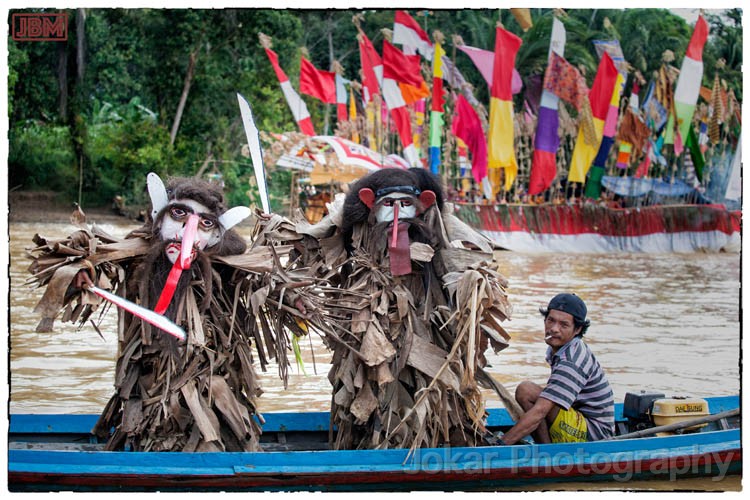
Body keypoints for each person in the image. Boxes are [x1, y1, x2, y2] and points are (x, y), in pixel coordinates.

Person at [499, 293, 614, 445]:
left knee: (526, 391)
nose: (554, 329)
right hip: (576, 417)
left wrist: (501, 444)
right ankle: (547, 447)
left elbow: (540, 411)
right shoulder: (561, 347)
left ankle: (547, 451)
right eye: (550, 320)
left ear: (578, 329)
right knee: (539, 397)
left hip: (594, 434)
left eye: (563, 325)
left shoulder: (571, 361)